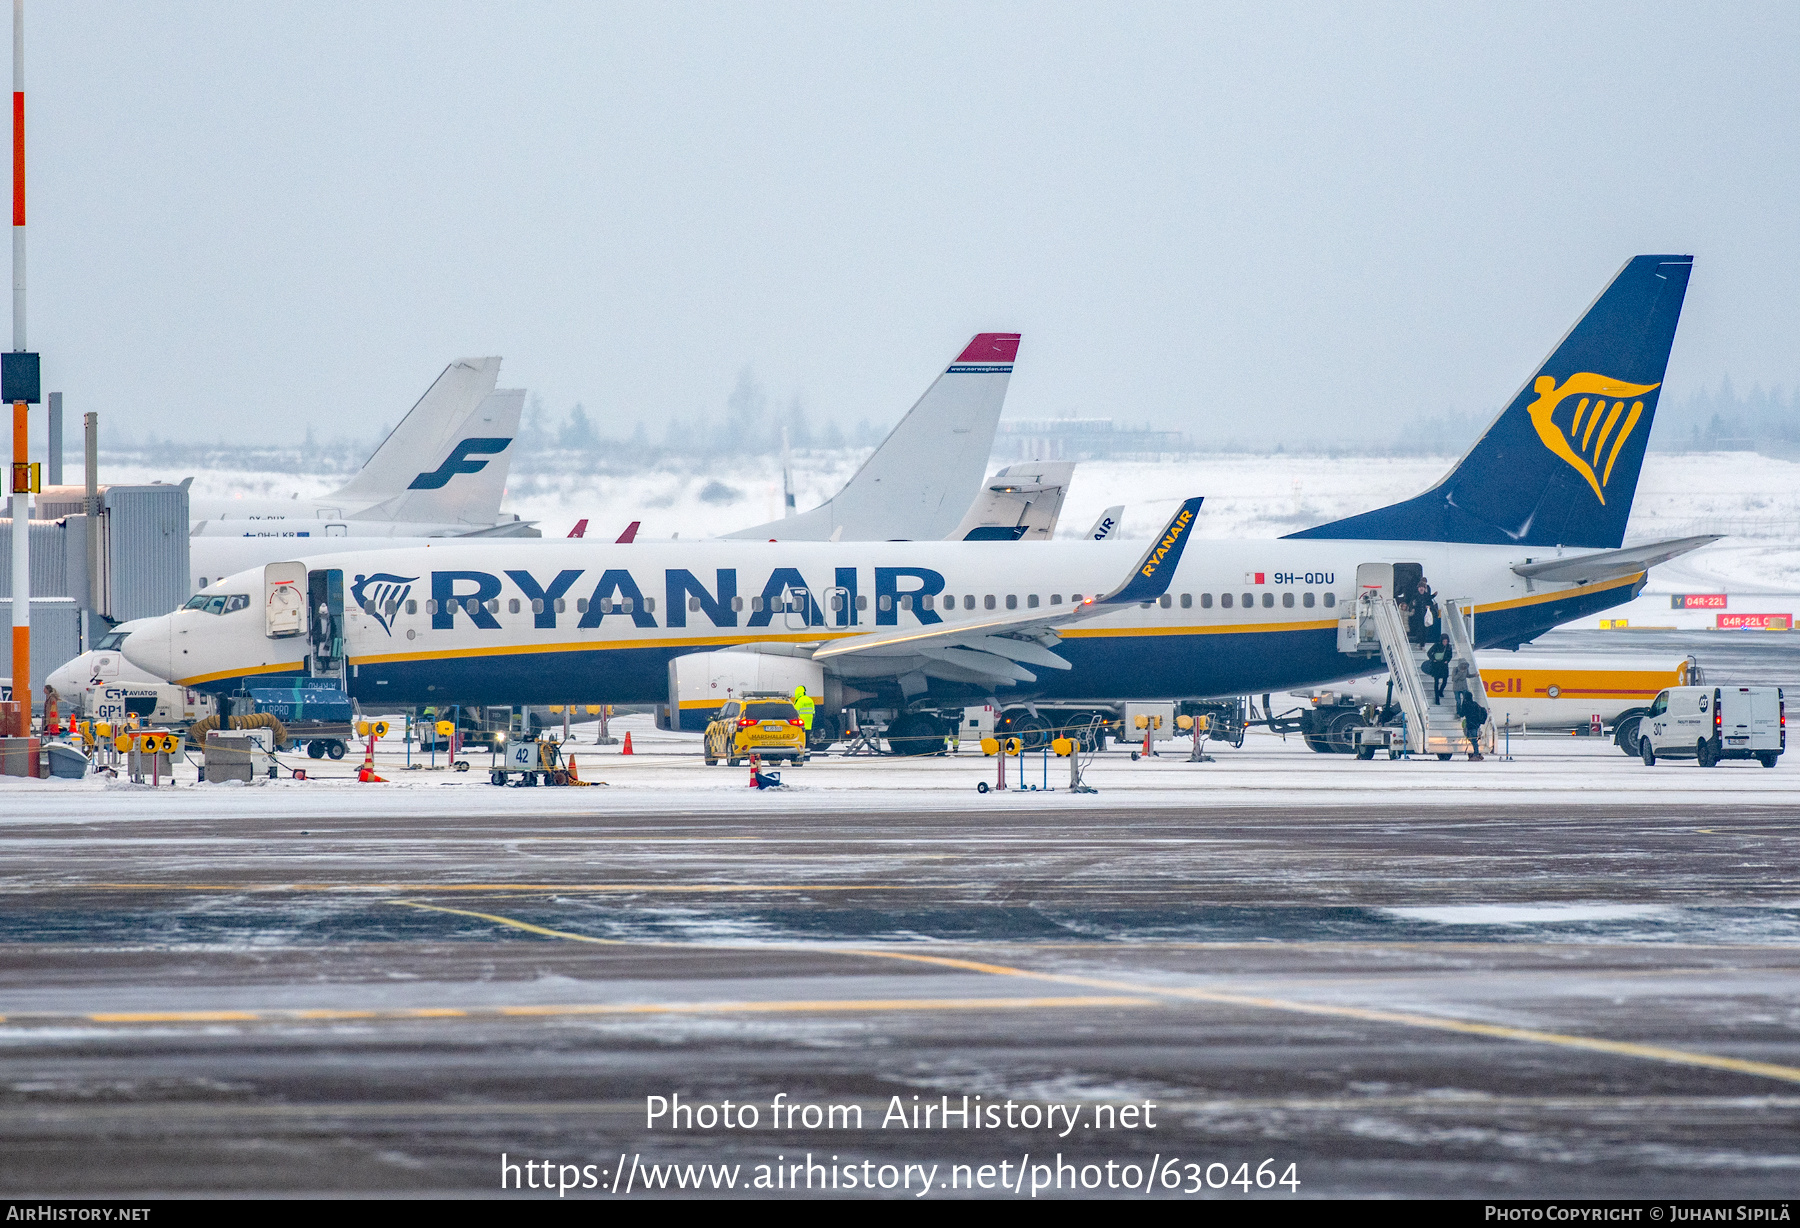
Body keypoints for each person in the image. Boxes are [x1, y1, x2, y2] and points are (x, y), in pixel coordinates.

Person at [1458, 690, 1488, 761]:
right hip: (1476, 724)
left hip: (1470, 724)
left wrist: (1459, 708)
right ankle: (1477, 754)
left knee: (1473, 739)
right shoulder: (1475, 704)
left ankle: (1476, 754)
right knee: (1473, 739)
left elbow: (1462, 714)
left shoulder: (1466, 704)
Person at [1409, 577, 1438, 645]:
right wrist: (1413, 605)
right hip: (1417, 615)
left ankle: (1422, 644)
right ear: (1418, 588)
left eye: (1422, 587)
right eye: (1420, 587)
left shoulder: (1427, 596)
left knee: (1425, 630)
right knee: (1419, 629)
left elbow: (1430, 603)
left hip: (1425, 615)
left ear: (1424, 588)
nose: (1421, 588)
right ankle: (1418, 642)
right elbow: (1411, 604)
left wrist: (1429, 606)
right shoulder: (1415, 595)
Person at [1425, 635, 1452, 703]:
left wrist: (1447, 660)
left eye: (1446, 641)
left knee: (1445, 681)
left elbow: (1450, 655)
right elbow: (1429, 653)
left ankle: (1441, 691)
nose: (1445, 643)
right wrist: (1433, 659)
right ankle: (1437, 698)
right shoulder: (1436, 645)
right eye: (1444, 641)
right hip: (1436, 665)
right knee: (1436, 681)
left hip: (1444, 665)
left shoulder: (1449, 647)